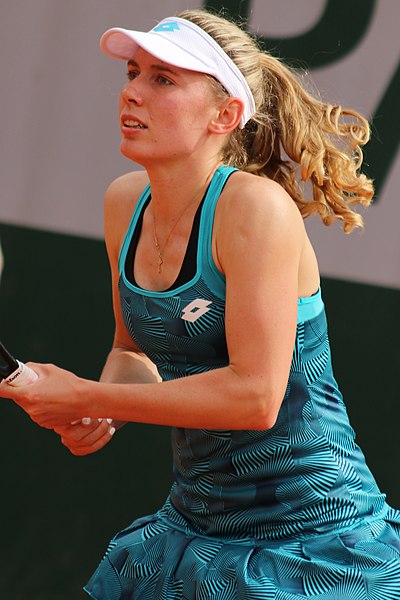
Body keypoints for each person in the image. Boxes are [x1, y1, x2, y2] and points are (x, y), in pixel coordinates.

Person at [1, 8, 400, 599]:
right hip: (193, 526)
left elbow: (256, 396)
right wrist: (103, 410)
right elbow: (131, 348)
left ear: (225, 114)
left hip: (314, 541)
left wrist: (86, 394)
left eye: (163, 80)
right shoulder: (124, 202)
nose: (132, 91)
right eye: (133, 72)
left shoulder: (256, 210)